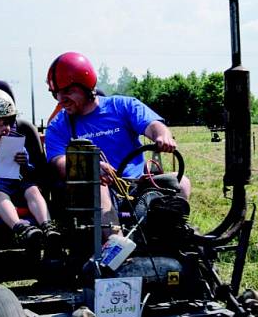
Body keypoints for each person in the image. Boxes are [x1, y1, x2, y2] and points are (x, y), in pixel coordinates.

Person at [44, 51, 190, 233]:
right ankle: (117, 246)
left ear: (86, 86)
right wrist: (91, 168)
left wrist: (162, 135)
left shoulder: (122, 106)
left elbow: (152, 125)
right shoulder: (58, 126)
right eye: (56, 93)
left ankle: (168, 237)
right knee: (98, 184)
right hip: (96, 189)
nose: (61, 99)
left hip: (137, 184)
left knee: (181, 181)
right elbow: (59, 163)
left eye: (68, 91)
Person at [0, 87, 60, 249]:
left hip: (17, 185)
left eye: (6, 123)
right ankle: (20, 227)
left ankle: (47, 226)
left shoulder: (17, 145)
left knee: (33, 189)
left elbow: (29, 172)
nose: (3, 129)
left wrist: (24, 162)